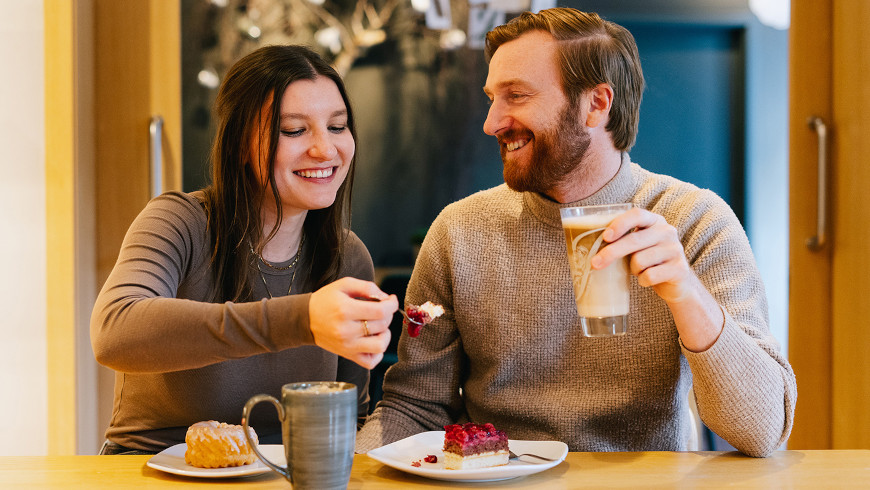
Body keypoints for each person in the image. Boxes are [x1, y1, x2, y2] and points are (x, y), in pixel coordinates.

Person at [357, 8, 796, 458]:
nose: (492, 122)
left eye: (517, 96)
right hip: (499, 484)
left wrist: (686, 293)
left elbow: (761, 430)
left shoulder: (694, 221)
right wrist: (342, 473)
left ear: (596, 104)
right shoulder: (459, 231)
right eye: (492, 97)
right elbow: (414, 407)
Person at [91, 45, 398, 454]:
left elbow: (349, 417)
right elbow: (115, 331)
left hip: (285, 476)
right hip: (151, 469)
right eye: (293, 130)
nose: (325, 149)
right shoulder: (180, 222)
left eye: (338, 126)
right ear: (238, 142)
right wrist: (303, 319)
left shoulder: (346, 257)